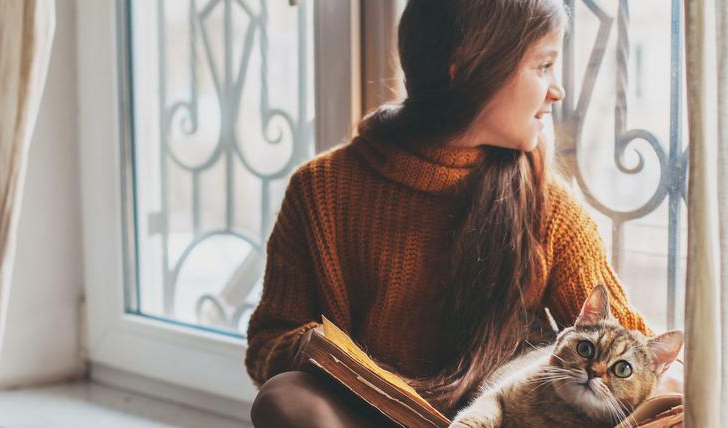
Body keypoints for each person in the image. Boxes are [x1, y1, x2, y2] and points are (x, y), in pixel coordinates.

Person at [245, 0, 652, 426]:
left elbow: (636, 358)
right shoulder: (319, 189)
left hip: (491, 420)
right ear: (467, 69)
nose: (557, 91)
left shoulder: (551, 210)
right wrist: (317, 349)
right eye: (543, 66)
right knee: (285, 397)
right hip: (365, 418)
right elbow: (266, 345)